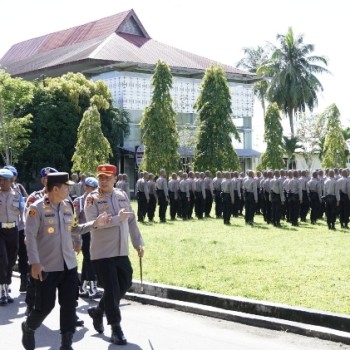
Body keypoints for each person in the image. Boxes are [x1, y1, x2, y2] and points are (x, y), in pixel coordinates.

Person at [22, 172, 110, 350]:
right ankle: (29, 327)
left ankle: (66, 343)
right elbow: (29, 237)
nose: (69, 189)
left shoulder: (68, 206)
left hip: (68, 265)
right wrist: (34, 262)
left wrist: (95, 223)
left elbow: (75, 228)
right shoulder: (36, 208)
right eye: (66, 186)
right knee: (45, 306)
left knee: (69, 305)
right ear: (55, 189)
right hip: (46, 267)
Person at [84, 164, 144, 346]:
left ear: (114, 179)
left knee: (125, 283)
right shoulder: (92, 199)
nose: (103, 181)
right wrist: (118, 219)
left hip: (121, 250)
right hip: (102, 252)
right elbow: (92, 222)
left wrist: (138, 242)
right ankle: (116, 328)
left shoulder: (122, 195)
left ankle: (98, 310)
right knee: (111, 288)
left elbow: (131, 220)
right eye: (100, 177)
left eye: (107, 178)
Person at [73, 176, 102, 299]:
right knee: (90, 260)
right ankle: (93, 289)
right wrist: (76, 238)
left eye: (95, 187)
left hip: (95, 232)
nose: (93, 190)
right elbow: (74, 220)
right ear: (85, 187)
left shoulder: (98, 199)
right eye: (91, 187)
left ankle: (83, 287)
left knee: (87, 260)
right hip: (84, 233)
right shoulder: (79, 201)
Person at [0, 168, 25, 305]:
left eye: (4, 180)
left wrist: (26, 228)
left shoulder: (17, 195)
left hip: (13, 230)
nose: (1, 182)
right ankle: (2, 290)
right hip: (0, 230)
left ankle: (7, 284)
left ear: (11, 181)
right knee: (2, 259)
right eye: (0, 180)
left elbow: (23, 213)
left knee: (11, 259)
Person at [4, 165, 29, 292]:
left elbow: (25, 206)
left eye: (12, 175)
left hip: (19, 228)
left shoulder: (19, 189)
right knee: (5, 257)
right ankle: (5, 281)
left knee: (22, 255)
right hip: (4, 229)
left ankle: (24, 280)